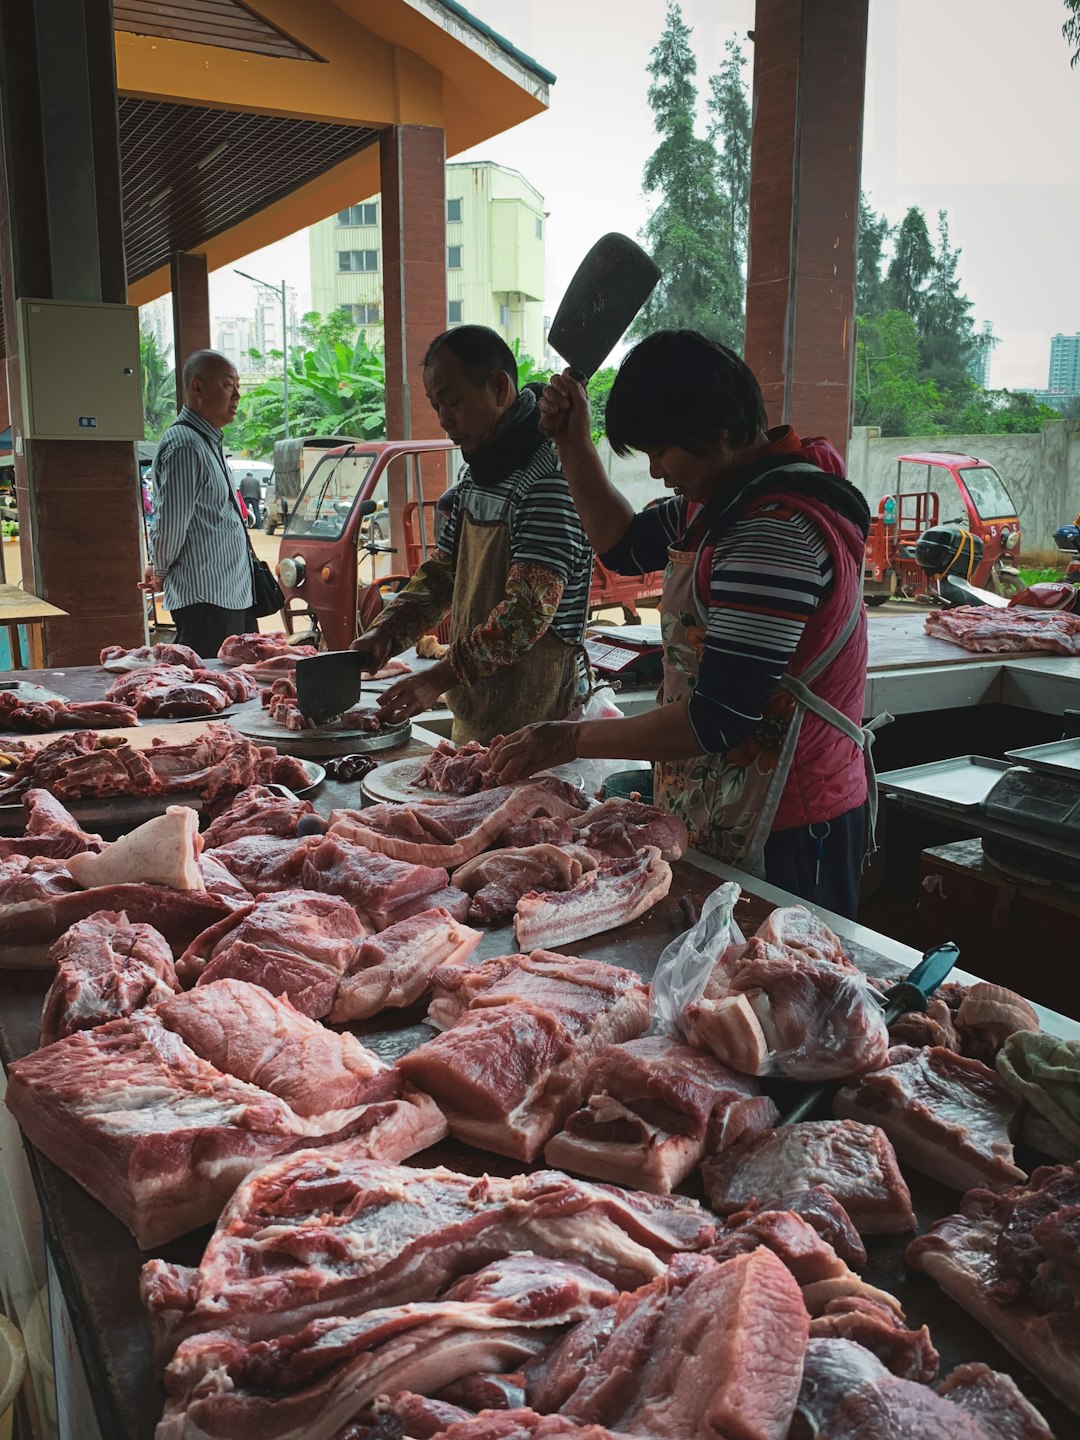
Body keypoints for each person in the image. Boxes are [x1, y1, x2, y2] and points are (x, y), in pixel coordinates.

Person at [487, 330, 873, 919]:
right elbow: (622, 545)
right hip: (731, 805)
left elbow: (717, 717)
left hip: (790, 824)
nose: (658, 471)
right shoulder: (722, 500)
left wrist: (566, 737)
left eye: (662, 451)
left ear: (717, 431)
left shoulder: (770, 530)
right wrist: (572, 443)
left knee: (781, 992)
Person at [353, 326, 593, 744]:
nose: (445, 419)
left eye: (452, 401)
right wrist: (387, 631)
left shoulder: (547, 479)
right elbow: (444, 573)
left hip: (541, 733)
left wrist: (436, 678)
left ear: (499, 388)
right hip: (478, 719)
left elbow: (525, 616)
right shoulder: (476, 477)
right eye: (436, 405)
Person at [139, 350, 255, 658]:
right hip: (206, 600)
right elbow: (172, 522)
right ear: (198, 388)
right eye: (229, 385)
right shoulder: (184, 445)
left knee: (235, 685)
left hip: (229, 594)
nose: (238, 396)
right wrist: (160, 568)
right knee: (205, 690)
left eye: (238, 386)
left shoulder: (208, 442)